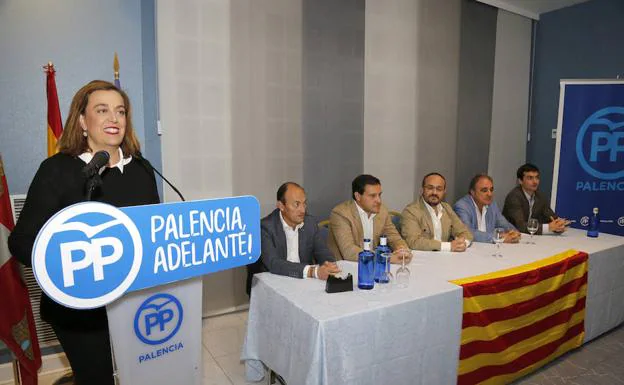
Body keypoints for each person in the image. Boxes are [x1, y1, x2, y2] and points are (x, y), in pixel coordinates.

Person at [8, 80, 160, 385]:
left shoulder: (142, 169)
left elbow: (152, 232)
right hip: (79, 311)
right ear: (82, 121)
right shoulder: (57, 169)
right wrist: (75, 257)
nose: (114, 119)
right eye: (102, 110)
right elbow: (21, 242)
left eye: (120, 111)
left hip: (135, 301)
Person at [246, 182, 340, 294]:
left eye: (304, 204)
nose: (302, 210)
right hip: (273, 284)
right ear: (281, 206)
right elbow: (273, 263)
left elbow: (323, 251)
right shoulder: (265, 227)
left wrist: (328, 264)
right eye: (296, 204)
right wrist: (312, 271)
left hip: (304, 283)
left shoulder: (310, 223)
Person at [327, 174, 410, 263]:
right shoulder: (341, 213)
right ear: (358, 196)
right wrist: (386, 258)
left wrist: (402, 250)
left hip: (373, 264)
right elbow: (349, 251)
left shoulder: (382, 211)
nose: (379, 200)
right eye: (372, 196)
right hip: (345, 267)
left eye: (379, 195)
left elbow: (394, 237)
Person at [401, 172, 473, 251]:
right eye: (430, 188)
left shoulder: (446, 208)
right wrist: (449, 246)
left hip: (445, 257)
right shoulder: (411, 211)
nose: (434, 193)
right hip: (423, 258)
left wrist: (462, 243)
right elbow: (413, 242)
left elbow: (464, 232)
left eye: (439, 189)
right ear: (422, 189)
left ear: (444, 191)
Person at [502, 163, 568, 235]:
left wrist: (558, 225)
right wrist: (548, 227)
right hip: (511, 235)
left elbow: (551, 217)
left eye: (537, 177)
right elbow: (520, 226)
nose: (535, 181)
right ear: (520, 181)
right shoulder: (514, 197)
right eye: (530, 178)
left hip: (530, 236)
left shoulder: (540, 196)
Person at [453, 174, 520, 243]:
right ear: (472, 192)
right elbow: (467, 232)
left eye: (491, 190)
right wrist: (498, 237)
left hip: (488, 248)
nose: (489, 194)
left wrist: (513, 232)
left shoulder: (492, 204)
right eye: (484, 190)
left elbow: (503, 223)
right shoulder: (462, 206)